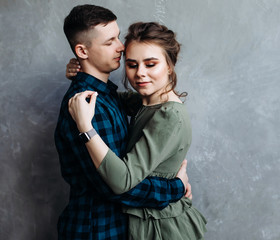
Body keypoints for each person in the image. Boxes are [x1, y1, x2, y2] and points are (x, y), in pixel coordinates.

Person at [55, 5, 190, 240]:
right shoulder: (88, 106)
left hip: (114, 226)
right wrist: (176, 187)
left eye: (118, 37)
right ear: (82, 51)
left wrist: (77, 72)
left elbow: (155, 108)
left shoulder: (108, 96)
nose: (121, 47)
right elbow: (115, 185)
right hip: (96, 230)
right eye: (109, 42)